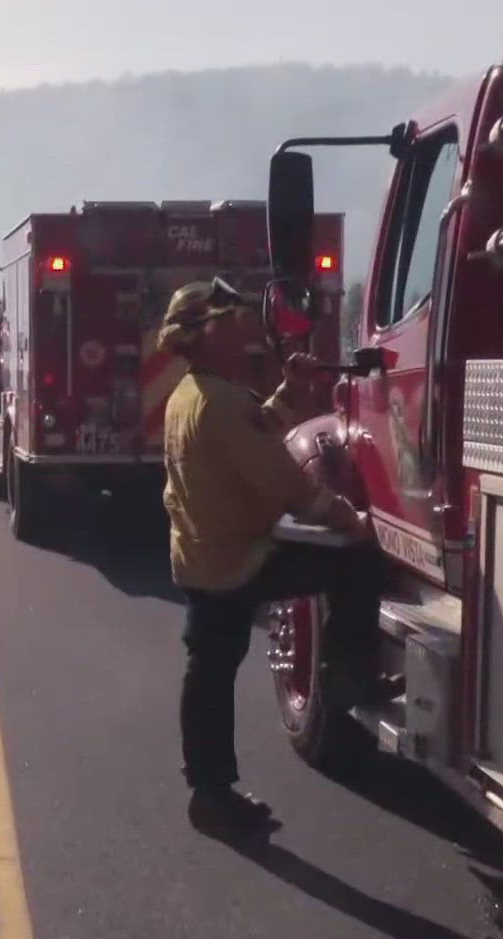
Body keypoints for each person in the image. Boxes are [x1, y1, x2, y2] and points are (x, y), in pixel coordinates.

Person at [158, 277, 384, 832]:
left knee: (208, 671)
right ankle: (347, 676)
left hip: (204, 555)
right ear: (206, 334)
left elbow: (252, 438)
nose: (245, 334)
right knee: (354, 564)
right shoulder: (221, 402)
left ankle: (209, 792)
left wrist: (288, 392)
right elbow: (289, 486)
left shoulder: (191, 395)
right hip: (237, 560)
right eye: (233, 324)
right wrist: (351, 522)